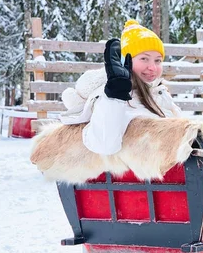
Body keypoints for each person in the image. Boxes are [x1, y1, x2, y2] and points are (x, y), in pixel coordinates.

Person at [60, 19, 182, 155]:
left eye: (157, 60)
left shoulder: (159, 93)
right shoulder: (112, 97)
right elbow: (105, 145)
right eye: (144, 59)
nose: (153, 67)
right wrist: (115, 96)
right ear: (125, 61)